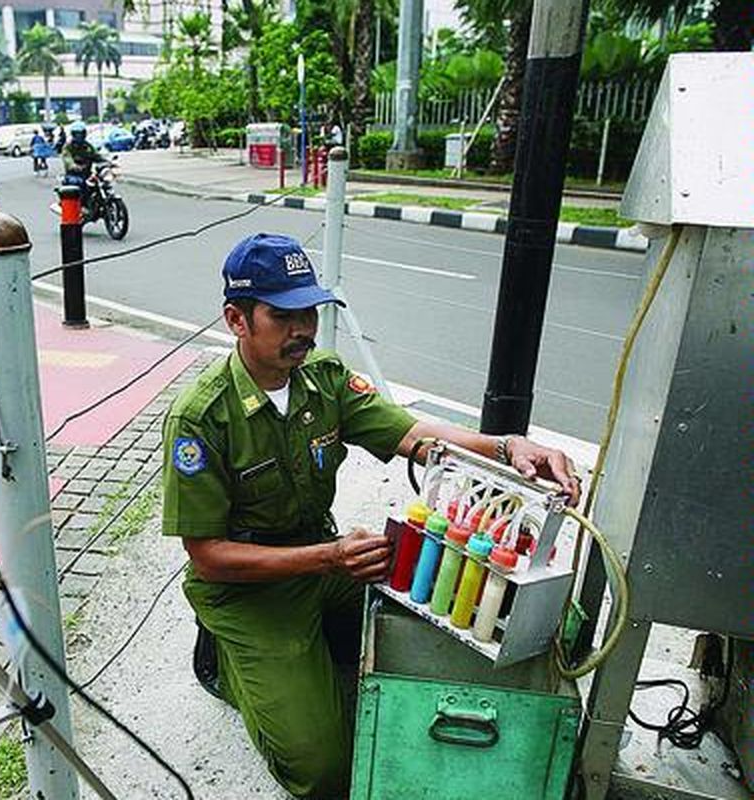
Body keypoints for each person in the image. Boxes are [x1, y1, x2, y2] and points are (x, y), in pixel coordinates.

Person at [161, 233, 581, 799]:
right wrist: (331, 556)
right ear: (237, 319)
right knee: (325, 771)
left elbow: (412, 433)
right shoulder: (201, 418)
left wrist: (507, 446)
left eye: (308, 311)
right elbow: (208, 557)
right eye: (283, 315)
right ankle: (225, 660)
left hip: (326, 563)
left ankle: (319, 646)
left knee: (436, 614)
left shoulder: (324, 381)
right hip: (248, 590)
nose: (302, 329)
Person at [61, 121, 106, 187]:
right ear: (73, 134)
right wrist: (74, 167)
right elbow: (67, 159)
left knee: (98, 184)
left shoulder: (88, 146)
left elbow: (96, 156)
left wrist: (108, 162)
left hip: (87, 174)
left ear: (84, 134)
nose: (79, 136)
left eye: (81, 134)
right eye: (76, 134)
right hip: (73, 175)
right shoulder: (68, 147)